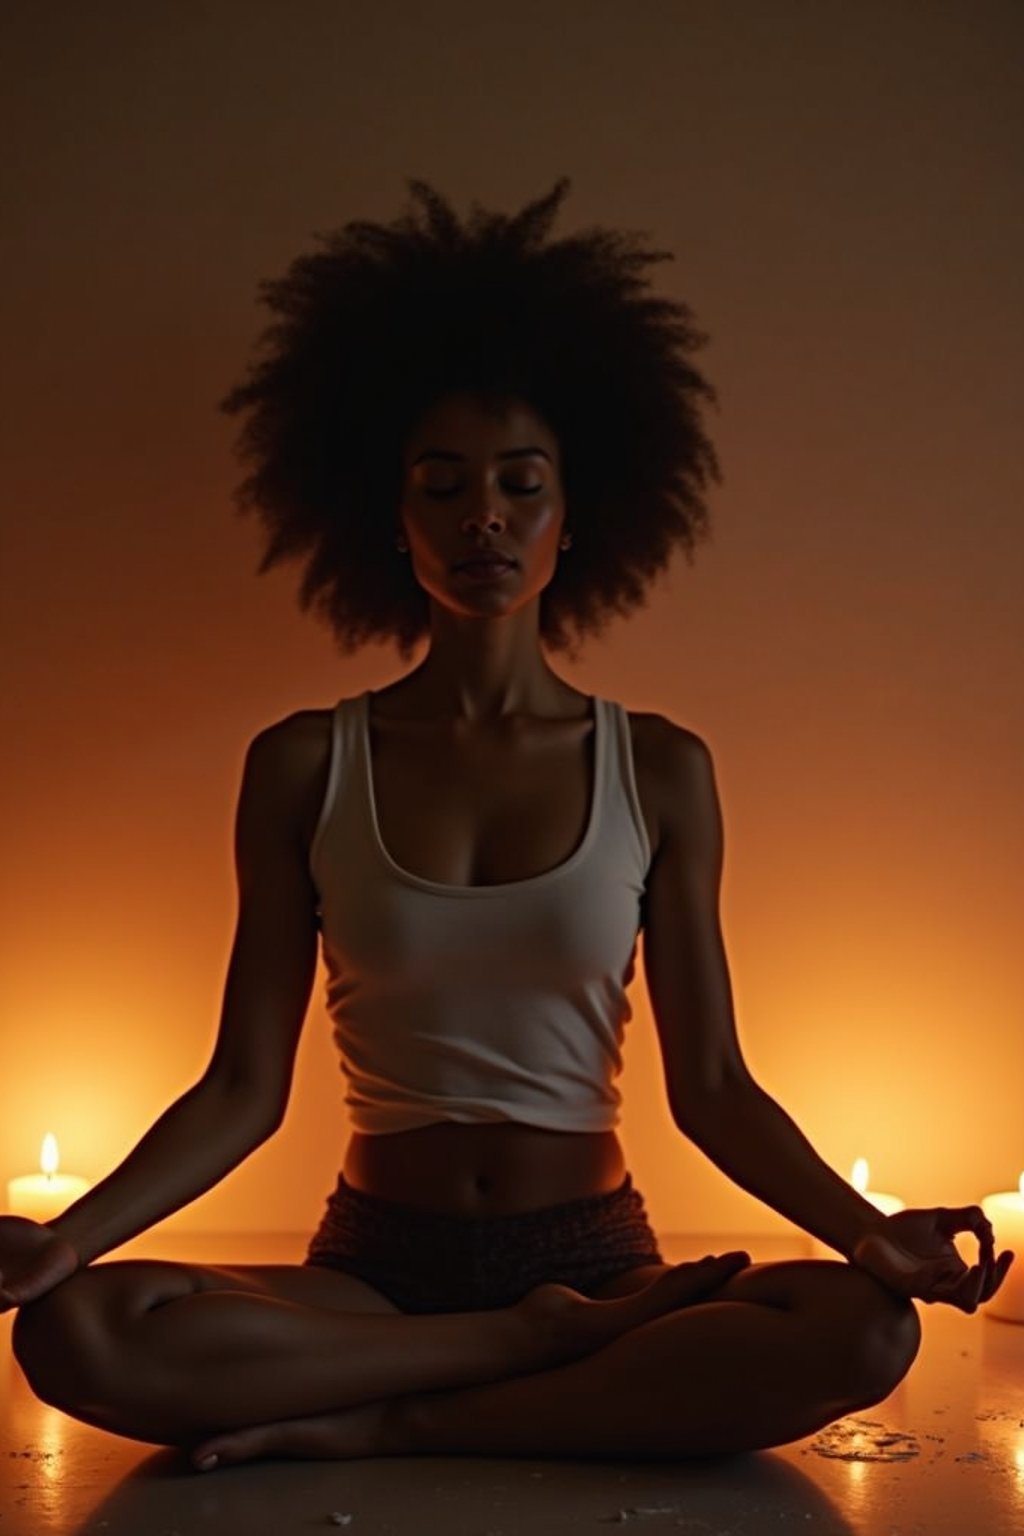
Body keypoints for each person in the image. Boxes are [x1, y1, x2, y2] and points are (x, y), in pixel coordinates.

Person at [3, 179, 1014, 1472]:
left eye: (520, 484)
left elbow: (713, 1089)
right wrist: (65, 1239)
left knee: (860, 1332)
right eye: (443, 486)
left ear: (572, 517)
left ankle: (394, 1418)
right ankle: (532, 1358)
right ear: (394, 520)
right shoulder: (305, 764)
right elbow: (242, 1091)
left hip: (593, 1256)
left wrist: (869, 1236)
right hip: (377, 1268)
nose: (483, 515)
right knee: (77, 1331)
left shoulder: (659, 768)